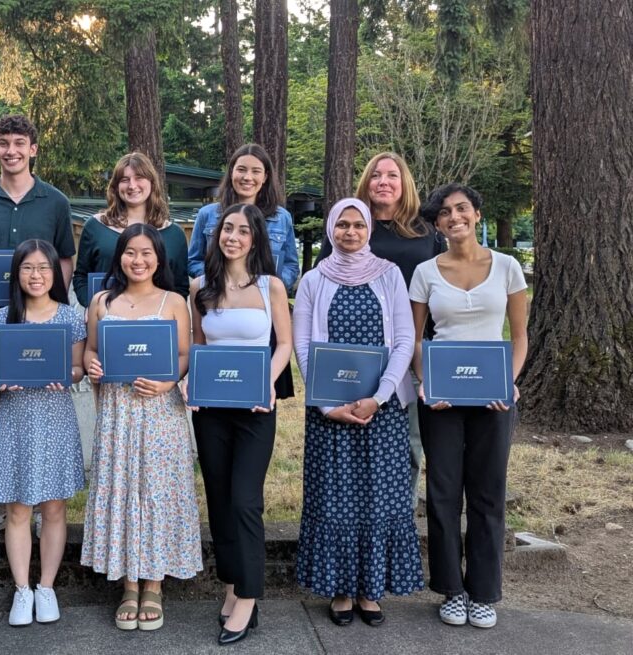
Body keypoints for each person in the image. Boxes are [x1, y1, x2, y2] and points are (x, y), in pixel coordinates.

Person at [292, 198, 424, 628]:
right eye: (343, 225)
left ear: (369, 229)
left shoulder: (389, 275)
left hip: (381, 409)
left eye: (358, 225)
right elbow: (303, 346)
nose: (350, 232)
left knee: (379, 498)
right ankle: (341, 590)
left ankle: (370, 590)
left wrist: (380, 396)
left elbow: (403, 340)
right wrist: (327, 404)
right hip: (330, 412)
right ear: (332, 229)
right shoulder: (314, 280)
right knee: (334, 500)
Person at [409, 184, 528, 629]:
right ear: (437, 223)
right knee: (443, 493)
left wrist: (508, 382)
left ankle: (482, 592)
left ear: (477, 214)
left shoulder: (507, 267)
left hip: (493, 397)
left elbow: (519, 336)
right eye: (444, 212)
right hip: (441, 398)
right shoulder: (425, 272)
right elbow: (415, 339)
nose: (454, 217)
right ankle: (451, 590)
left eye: (462, 209)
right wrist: (425, 381)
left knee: (487, 492)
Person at [0, 114, 76, 542]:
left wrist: (54, 311)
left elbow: (65, 261)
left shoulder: (55, 202)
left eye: (19, 143)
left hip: (44, 330)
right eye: (4, 143)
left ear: (33, 149)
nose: (11, 151)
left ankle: (44, 507)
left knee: (45, 424)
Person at [81, 224, 202, 631]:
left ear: (158, 258)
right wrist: (93, 367)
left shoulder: (173, 301)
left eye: (146, 252)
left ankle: (153, 583)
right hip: (118, 413)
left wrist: (169, 381)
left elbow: (185, 354)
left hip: (159, 411)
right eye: (130, 252)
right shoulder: (101, 301)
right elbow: (91, 351)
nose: (138, 260)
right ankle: (128, 583)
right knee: (122, 489)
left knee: (156, 490)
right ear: (119, 257)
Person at [187, 204, 292, 645]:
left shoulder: (271, 286)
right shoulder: (200, 287)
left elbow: (283, 344)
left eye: (242, 231)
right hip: (211, 411)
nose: (233, 237)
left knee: (246, 501)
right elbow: (198, 344)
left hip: (255, 409)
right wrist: (191, 383)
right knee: (219, 499)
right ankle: (232, 584)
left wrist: (267, 383)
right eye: (227, 229)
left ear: (255, 239)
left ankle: (248, 596)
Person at [316, 152, 443, 507]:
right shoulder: (350, 225)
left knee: (409, 440)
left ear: (405, 183)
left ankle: (400, 509)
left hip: (410, 348)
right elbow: (323, 281)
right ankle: (356, 508)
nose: (383, 181)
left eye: (392, 175)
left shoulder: (426, 232)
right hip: (354, 352)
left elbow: (441, 285)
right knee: (354, 431)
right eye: (375, 175)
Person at [0, 239, 87, 626]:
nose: (36, 275)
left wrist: (67, 375)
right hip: (16, 418)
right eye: (28, 268)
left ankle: (46, 587)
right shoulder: (3, 318)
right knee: (17, 508)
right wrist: (1, 378)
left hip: (55, 417)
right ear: (17, 273)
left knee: (54, 507)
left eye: (44, 267)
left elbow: (77, 368)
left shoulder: (69, 317)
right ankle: (21, 589)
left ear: (55, 274)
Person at [188, 143, 298, 399]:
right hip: (219, 307)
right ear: (231, 173)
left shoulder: (281, 217)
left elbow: (291, 264)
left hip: (262, 314)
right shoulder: (208, 214)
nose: (248, 177)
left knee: (257, 391)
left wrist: (265, 289)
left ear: (265, 177)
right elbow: (193, 261)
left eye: (256, 171)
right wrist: (222, 282)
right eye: (241, 169)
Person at [74, 152, 189, 306]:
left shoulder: (174, 234)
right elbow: (81, 278)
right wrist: (93, 307)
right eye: (124, 180)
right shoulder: (95, 227)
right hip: (105, 316)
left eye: (139, 178)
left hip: (157, 318)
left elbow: (180, 288)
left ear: (152, 183)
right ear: (116, 186)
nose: (132, 186)